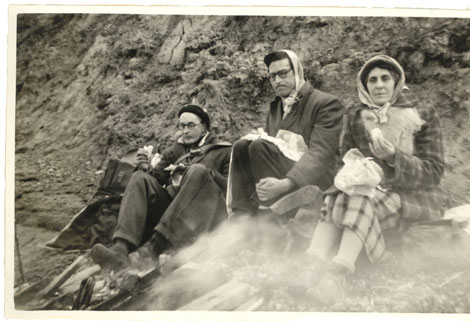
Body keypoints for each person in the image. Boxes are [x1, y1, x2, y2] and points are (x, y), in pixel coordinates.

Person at [307, 55, 444, 276]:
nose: (379, 85)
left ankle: (339, 267)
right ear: (365, 85)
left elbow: (434, 172)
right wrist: (354, 174)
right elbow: (345, 162)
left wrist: (393, 157)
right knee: (341, 194)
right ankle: (314, 262)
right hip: (368, 195)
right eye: (372, 80)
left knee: (358, 197)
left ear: (396, 81)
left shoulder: (422, 114)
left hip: (411, 197)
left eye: (385, 78)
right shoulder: (357, 117)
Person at [91, 105, 232, 269]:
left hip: (202, 213)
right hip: (172, 210)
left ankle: (152, 249)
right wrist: (144, 167)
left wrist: (206, 174)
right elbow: (155, 180)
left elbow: (230, 188)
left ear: (204, 127)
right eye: (182, 126)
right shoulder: (175, 151)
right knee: (139, 178)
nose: (185, 131)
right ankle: (121, 249)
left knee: (197, 170)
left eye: (191, 125)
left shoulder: (224, 150)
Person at [228, 50, 345, 214]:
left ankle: (271, 218)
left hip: (312, 178)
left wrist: (286, 183)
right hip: (279, 176)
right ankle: (242, 214)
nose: (277, 81)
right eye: (272, 76)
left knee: (259, 146)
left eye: (282, 74)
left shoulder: (325, 103)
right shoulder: (276, 108)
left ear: (297, 72)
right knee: (241, 145)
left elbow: (321, 153)